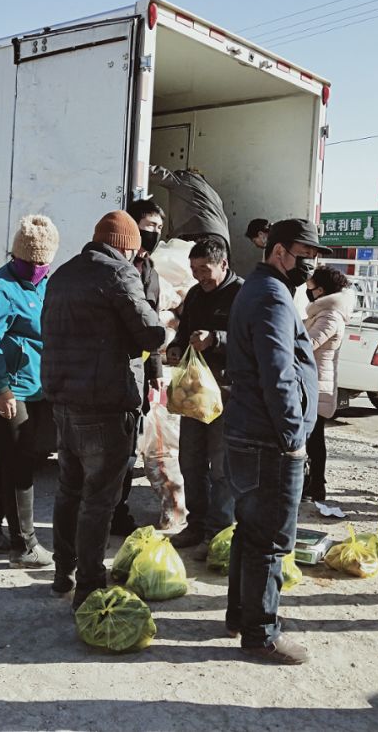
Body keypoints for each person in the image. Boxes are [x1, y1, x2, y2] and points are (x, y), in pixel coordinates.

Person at [41, 211, 166, 608]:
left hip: (63, 401)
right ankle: (90, 585)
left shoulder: (62, 274)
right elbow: (150, 333)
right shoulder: (119, 274)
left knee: (69, 488)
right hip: (105, 403)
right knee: (98, 499)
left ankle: (64, 572)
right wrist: (168, 328)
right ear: (127, 246)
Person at [223, 218, 328, 665]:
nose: (311, 264)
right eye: (306, 255)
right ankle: (260, 633)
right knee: (269, 539)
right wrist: (292, 436)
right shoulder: (270, 295)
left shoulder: (264, 289)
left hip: (252, 432)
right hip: (269, 439)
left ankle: (239, 615)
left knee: (250, 530)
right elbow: (278, 372)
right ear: (280, 251)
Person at [0, 215, 59, 567]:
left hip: (31, 386)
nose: (36, 268)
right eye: (29, 262)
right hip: (3, 389)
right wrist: (1, 389)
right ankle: (24, 544)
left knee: (9, 459)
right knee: (20, 462)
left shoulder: (44, 285)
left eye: (42, 263)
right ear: (15, 256)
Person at [166, 236, 243, 557]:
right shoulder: (196, 294)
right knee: (190, 461)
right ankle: (196, 525)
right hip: (195, 393)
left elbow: (251, 339)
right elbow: (184, 333)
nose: (199, 276)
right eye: (194, 269)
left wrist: (216, 339)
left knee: (221, 467)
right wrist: (175, 346)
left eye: (205, 269)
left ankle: (219, 532)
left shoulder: (242, 294)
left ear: (224, 264)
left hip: (227, 393)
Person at [109, 198, 169, 536]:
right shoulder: (119, 268)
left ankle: (119, 510)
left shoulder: (151, 272)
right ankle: (106, 512)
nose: (155, 234)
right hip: (112, 373)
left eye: (159, 229)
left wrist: (156, 371)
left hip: (138, 373)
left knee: (129, 450)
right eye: (149, 227)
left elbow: (153, 323)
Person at [302, 265, 354, 502]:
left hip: (316, 382)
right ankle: (313, 484)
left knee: (313, 439)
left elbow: (309, 344)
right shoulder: (325, 311)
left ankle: (315, 485)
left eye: (310, 287)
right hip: (314, 379)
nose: (308, 291)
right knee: (313, 437)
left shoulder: (330, 314)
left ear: (321, 290)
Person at [149, 164, 230, 248]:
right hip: (222, 239)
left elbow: (157, 173)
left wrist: (139, 165)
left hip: (199, 233)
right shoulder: (212, 192)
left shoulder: (185, 178)